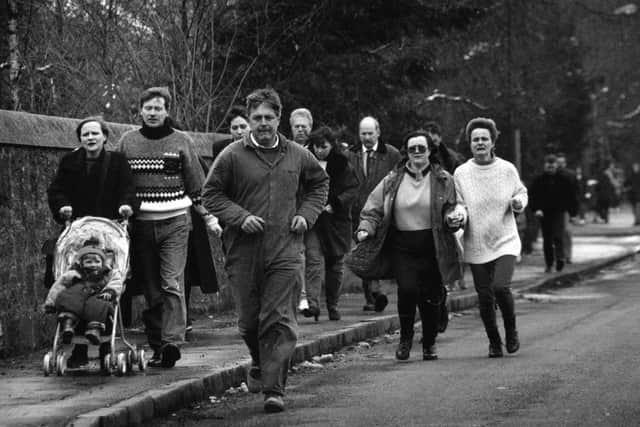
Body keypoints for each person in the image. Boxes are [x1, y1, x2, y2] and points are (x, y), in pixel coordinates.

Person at [202, 88, 328, 413]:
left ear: (279, 118)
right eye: (256, 118)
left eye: (268, 117)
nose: (262, 123)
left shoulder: (298, 154)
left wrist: (306, 214)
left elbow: (319, 184)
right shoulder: (232, 155)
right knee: (248, 322)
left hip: (286, 249)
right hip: (243, 252)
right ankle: (259, 361)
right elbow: (210, 195)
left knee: (279, 320)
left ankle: (274, 390)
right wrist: (240, 218)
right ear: (249, 119)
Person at [116, 86, 222, 369]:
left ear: (167, 111)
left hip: (175, 222)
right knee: (151, 290)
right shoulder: (127, 142)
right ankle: (157, 346)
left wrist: (209, 218)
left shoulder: (181, 141)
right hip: (140, 225)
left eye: (158, 108)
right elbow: (119, 183)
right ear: (140, 110)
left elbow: (197, 185)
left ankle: (172, 342)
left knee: (171, 283)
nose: (153, 113)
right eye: (148, 108)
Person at [356, 130, 461, 361]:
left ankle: (430, 343)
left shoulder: (443, 179)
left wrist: (454, 218)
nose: (416, 153)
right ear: (406, 153)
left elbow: (453, 207)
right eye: (411, 149)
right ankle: (405, 339)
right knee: (408, 291)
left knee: (430, 296)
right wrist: (366, 227)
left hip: (433, 244)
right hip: (402, 245)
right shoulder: (393, 179)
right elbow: (372, 207)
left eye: (421, 149)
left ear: (430, 152)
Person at [47, 116, 138, 368]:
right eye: (85, 134)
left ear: (105, 136)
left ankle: (104, 340)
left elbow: (129, 188)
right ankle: (76, 345)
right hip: (78, 229)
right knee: (71, 278)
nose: (90, 138)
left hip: (110, 228)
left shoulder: (117, 162)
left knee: (108, 280)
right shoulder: (70, 162)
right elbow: (56, 190)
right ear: (80, 138)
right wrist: (62, 206)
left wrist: (126, 206)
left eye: (94, 134)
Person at [451, 117, 528, 358]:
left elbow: (521, 192)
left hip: (505, 238)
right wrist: (459, 217)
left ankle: (511, 330)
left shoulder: (506, 169)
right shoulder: (462, 173)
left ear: (493, 141)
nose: (480, 143)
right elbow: (460, 204)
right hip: (476, 241)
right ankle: (494, 341)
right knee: (484, 297)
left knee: (500, 287)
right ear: (470, 143)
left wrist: (518, 203)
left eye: (485, 138)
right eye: (476, 140)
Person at [302, 126, 359, 321]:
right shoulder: (305, 162)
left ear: (331, 145)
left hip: (336, 222)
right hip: (314, 220)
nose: (319, 150)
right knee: (313, 259)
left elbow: (352, 189)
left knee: (335, 265)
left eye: (323, 147)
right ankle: (313, 304)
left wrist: (336, 204)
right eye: (316, 146)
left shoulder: (342, 164)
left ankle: (332, 304)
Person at [347, 116, 401, 312]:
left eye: (370, 133)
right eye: (363, 133)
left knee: (380, 252)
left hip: (383, 213)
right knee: (364, 253)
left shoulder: (391, 154)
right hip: (357, 213)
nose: (367, 137)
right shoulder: (350, 155)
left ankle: (377, 293)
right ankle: (372, 297)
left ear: (378, 132)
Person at [44, 241, 123, 345]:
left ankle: (94, 330)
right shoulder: (74, 273)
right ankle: (68, 325)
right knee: (69, 296)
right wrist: (51, 303)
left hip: (98, 296)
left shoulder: (108, 274)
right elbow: (58, 286)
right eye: (88, 262)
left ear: (103, 262)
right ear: (81, 263)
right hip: (78, 299)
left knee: (99, 302)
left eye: (97, 262)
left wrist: (110, 291)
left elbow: (116, 282)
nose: (93, 265)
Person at [529, 154, 578, 273]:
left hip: (559, 211)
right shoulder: (539, 180)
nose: (551, 168)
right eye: (548, 166)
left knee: (558, 235)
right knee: (547, 239)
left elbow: (571, 196)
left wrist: (572, 212)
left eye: (552, 166)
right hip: (544, 213)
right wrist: (536, 209)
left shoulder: (563, 179)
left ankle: (560, 257)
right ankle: (550, 263)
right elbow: (533, 196)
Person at [555, 152, 578, 264]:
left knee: (566, 232)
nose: (560, 165)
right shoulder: (554, 175)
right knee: (559, 233)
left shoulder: (570, 175)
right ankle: (562, 255)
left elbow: (574, 194)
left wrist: (574, 211)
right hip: (556, 208)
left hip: (565, 208)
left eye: (561, 163)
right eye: (558, 163)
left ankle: (566, 255)